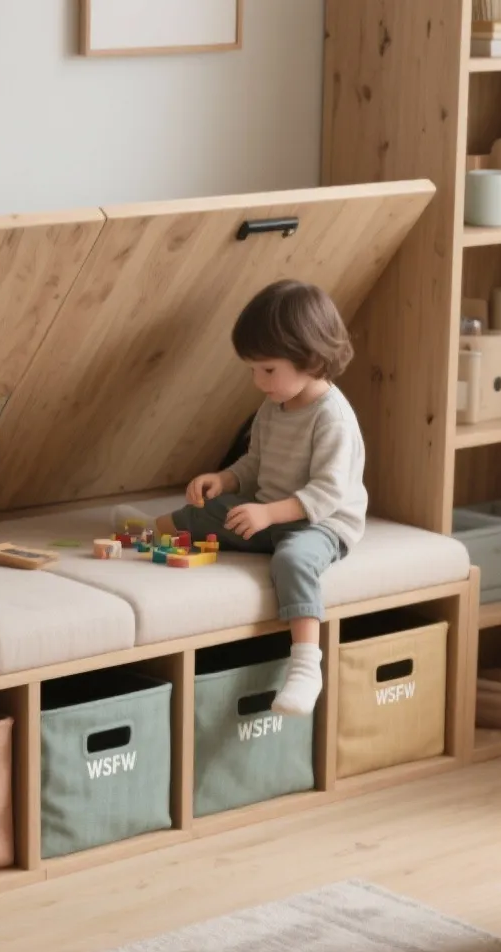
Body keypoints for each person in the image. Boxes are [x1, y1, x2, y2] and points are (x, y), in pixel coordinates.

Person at [155, 279, 367, 716]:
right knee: (204, 513)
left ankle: (307, 667)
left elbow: (328, 494)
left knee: (292, 560)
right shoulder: (274, 406)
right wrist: (224, 480)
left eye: (267, 370)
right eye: (252, 369)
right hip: (269, 513)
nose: (257, 381)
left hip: (322, 524)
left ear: (309, 356)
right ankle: (142, 531)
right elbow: (255, 464)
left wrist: (269, 513)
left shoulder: (333, 418)